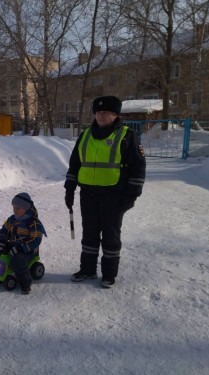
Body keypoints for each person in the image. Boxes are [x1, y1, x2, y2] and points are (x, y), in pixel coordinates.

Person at [64, 96, 146, 288]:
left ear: (115, 114)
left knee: (110, 235)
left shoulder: (127, 136)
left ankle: (109, 274)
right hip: (88, 195)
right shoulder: (85, 135)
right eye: (98, 112)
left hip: (114, 196)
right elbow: (74, 164)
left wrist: (131, 196)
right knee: (89, 233)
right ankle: (88, 270)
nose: (101, 116)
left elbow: (138, 168)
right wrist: (69, 189)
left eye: (105, 112)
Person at [0, 193, 46, 295]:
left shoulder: (34, 223)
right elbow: (4, 230)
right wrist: (1, 242)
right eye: (13, 207)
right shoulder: (12, 219)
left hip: (27, 250)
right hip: (12, 245)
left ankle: (25, 283)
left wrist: (21, 248)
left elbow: (36, 240)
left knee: (18, 259)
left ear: (26, 208)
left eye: (18, 208)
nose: (14, 210)